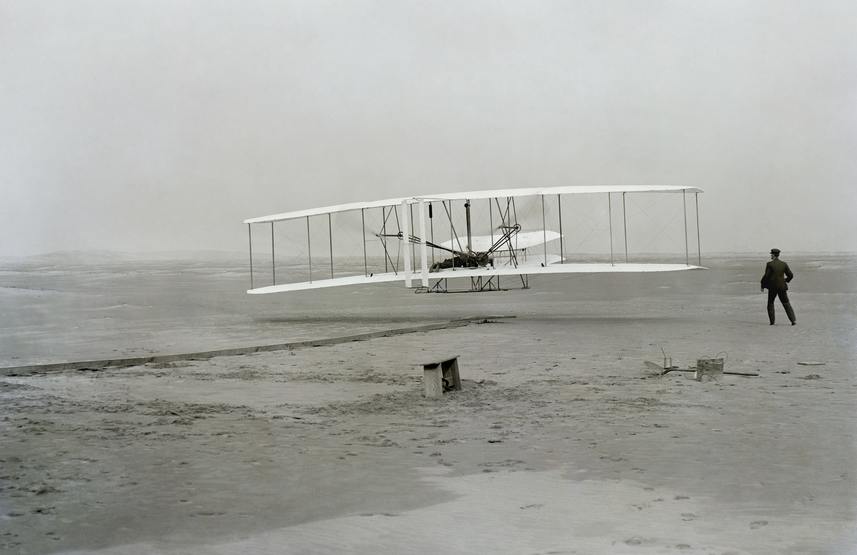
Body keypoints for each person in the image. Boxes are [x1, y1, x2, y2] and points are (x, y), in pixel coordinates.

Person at [760, 248, 796, 325]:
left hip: (772, 287)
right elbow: (791, 275)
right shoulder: (784, 264)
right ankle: (793, 321)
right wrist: (785, 280)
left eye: (771, 254)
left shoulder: (769, 264)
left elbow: (766, 276)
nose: (770, 255)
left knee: (770, 303)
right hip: (782, 287)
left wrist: (762, 284)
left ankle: (772, 322)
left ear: (773, 255)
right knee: (786, 303)